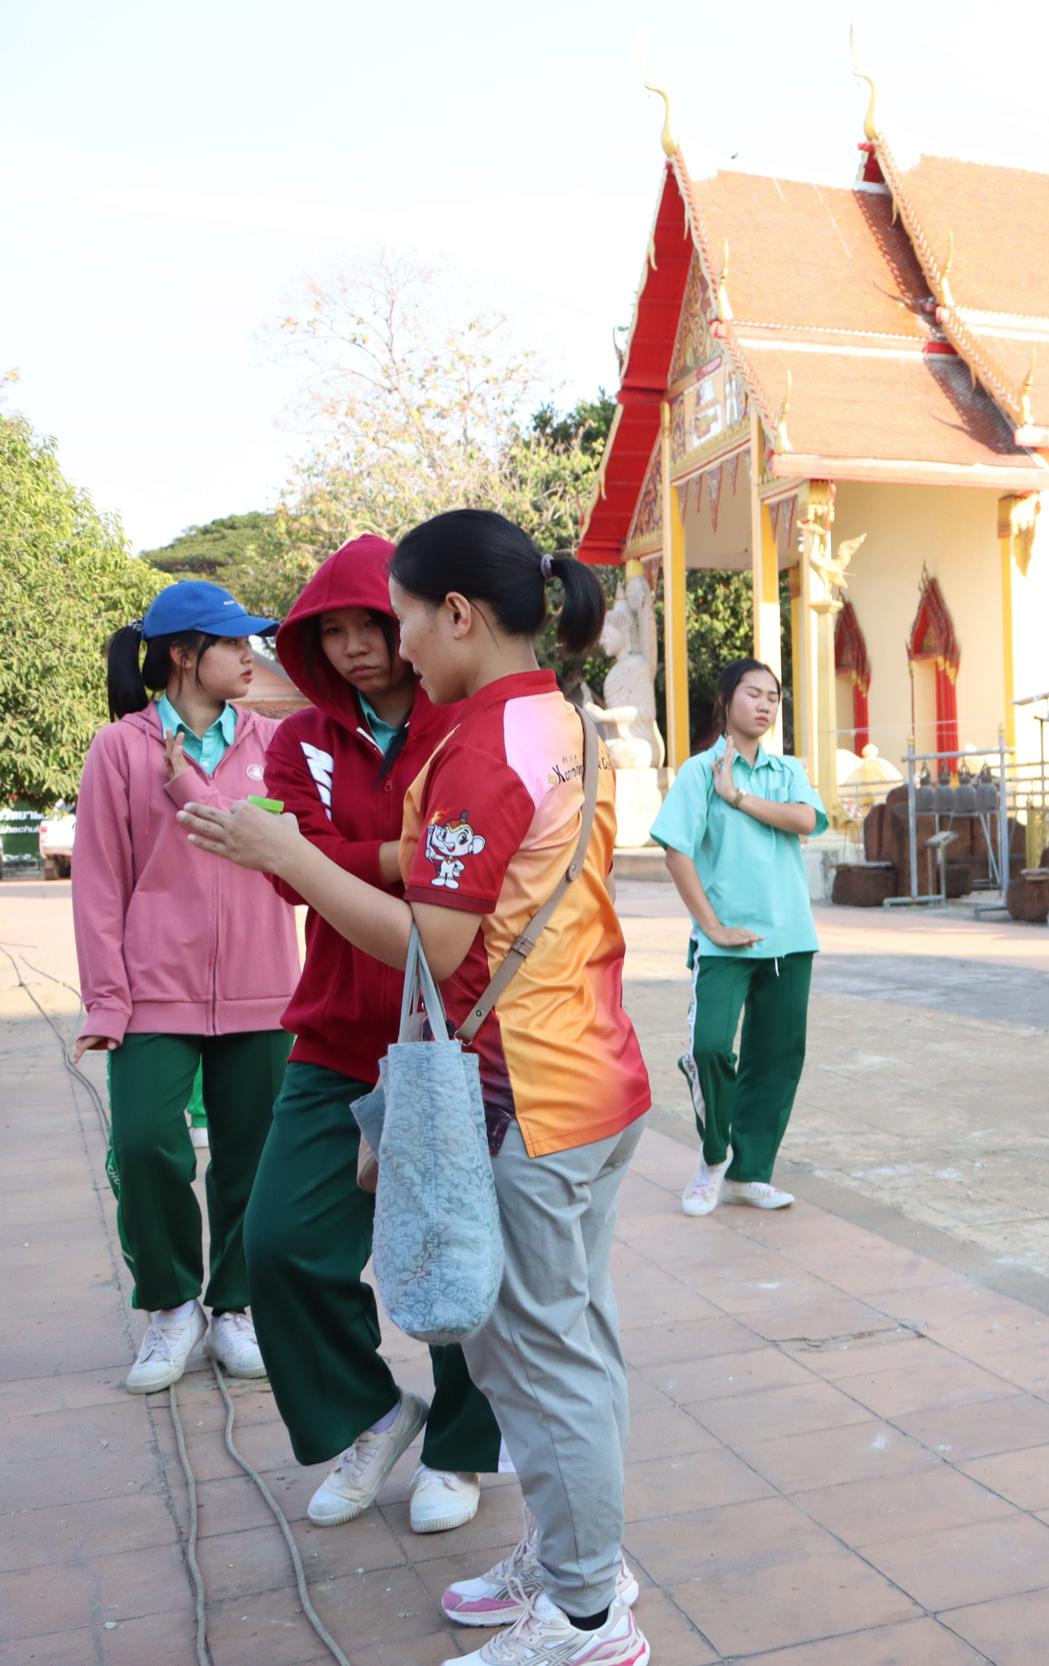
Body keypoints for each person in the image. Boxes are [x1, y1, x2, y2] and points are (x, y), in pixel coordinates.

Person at [182, 510, 652, 1666]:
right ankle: (570, 1556)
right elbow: (441, 879)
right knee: (536, 1347)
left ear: (455, 614)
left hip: (536, 1091)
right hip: (575, 1069)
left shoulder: (487, 742)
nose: (385, 643)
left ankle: (589, 1613)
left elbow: (430, 945)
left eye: (395, 616)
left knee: (547, 1358)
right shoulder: (547, 717)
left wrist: (287, 856)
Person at [245, 535, 498, 1536]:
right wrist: (399, 854)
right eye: (330, 633)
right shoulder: (298, 739)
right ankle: (371, 1411)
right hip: (337, 1026)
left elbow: (315, 856)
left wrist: (345, 856)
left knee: (452, 1251)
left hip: (456, 1035)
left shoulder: (463, 720)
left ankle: (464, 1448)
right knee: (278, 1243)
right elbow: (281, 865)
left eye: (369, 624)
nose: (353, 647)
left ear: (415, 618)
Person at [72, 579, 295, 1394]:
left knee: (253, 1153)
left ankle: (233, 1304)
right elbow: (100, 885)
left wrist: (187, 786)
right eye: (233, 644)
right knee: (141, 1144)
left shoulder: (275, 743)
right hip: (151, 989)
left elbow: (259, 840)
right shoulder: (118, 748)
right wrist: (105, 999)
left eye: (251, 643)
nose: (249, 656)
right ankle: (172, 1306)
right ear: (181, 655)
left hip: (265, 988)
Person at [652, 657, 828, 1217]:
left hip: (790, 937)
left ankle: (750, 1172)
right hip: (725, 943)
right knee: (708, 1048)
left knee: (775, 1059)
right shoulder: (697, 773)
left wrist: (739, 798)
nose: (765, 704)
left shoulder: (786, 771)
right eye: (753, 693)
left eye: (773, 697)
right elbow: (675, 849)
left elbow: (805, 820)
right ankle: (712, 1158)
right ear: (726, 701)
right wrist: (711, 926)